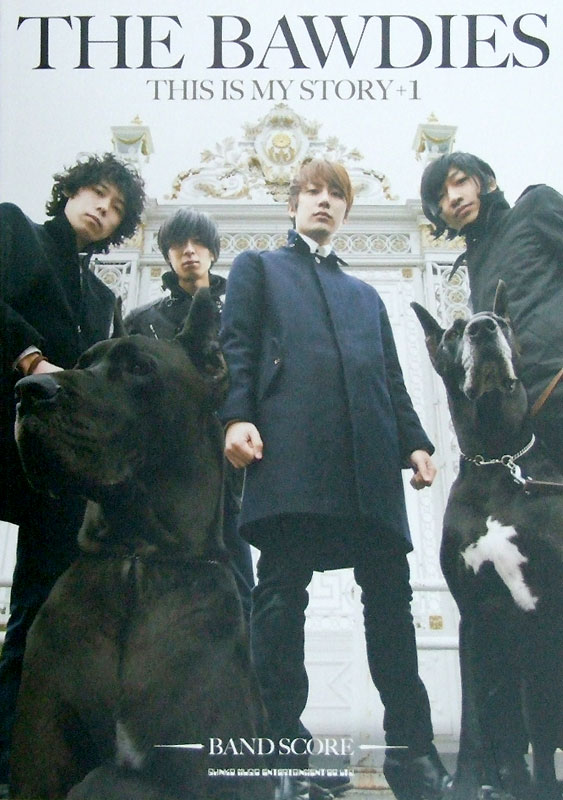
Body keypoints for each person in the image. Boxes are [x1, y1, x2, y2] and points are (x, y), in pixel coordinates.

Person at [220, 159, 450, 800]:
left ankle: (415, 757)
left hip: (370, 465)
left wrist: (415, 441)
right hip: (290, 458)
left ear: (346, 210)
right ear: (292, 204)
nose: (323, 201)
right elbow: (236, 347)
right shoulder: (258, 268)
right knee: (280, 600)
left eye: (335, 194)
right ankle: (280, 755)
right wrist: (236, 416)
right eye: (312, 191)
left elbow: (390, 378)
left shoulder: (366, 296)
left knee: (391, 605)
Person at [0, 152, 146, 784]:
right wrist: (32, 359)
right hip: (8, 431)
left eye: (116, 208)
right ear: (72, 191)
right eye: (97, 193)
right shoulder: (15, 229)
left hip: (59, 471)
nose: (102, 209)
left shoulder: (104, 296)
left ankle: (26, 757)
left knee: (45, 609)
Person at [124, 208, 255, 619]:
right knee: (158, 583)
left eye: (198, 243)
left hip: (228, 467)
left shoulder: (241, 314)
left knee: (237, 580)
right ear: (167, 254)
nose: (189, 251)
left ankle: (245, 659)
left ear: (213, 252)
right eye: (178, 244)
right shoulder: (141, 321)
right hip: (161, 470)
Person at [420, 151, 563, 468]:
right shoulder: (475, 264)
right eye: (441, 197)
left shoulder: (535, 206)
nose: (454, 198)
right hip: (532, 423)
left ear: (488, 182)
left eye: (460, 182)